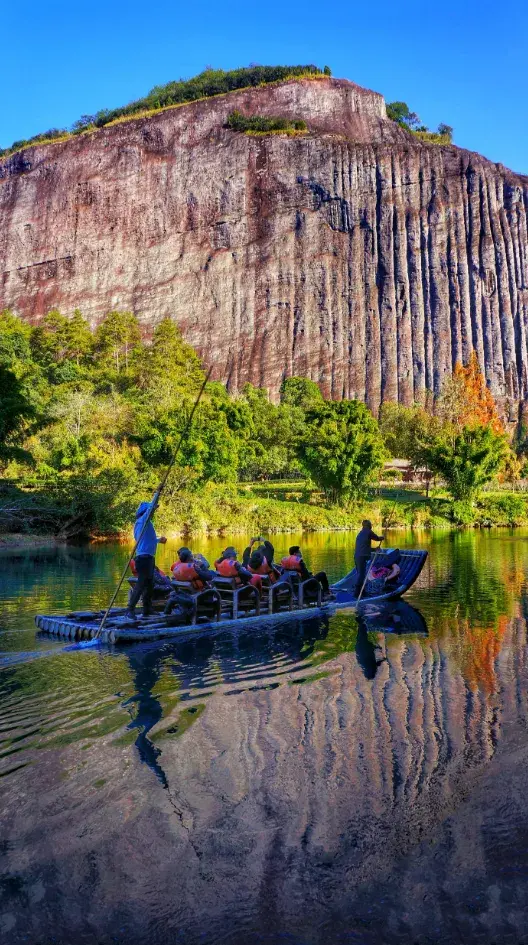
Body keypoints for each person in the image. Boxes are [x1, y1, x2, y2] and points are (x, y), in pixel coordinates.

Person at [126, 493, 167, 621]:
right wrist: (157, 493)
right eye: (152, 510)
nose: (154, 511)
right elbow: (151, 508)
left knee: (150, 584)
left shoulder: (144, 524)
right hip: (143, 559)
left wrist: (159, 540)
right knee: (142, 583)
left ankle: (147, 609)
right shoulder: (143, 520)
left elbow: (147, 540)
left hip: (148, 558)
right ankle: (130, 609)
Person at [354, 520, 384, 597]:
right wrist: (382, 538)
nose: (371, 525)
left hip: (357, 556)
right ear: (369, 525)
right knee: (361, 575)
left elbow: (365, 548)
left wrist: (375, 549)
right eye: (370, 524)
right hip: (362, 556)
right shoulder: (368, 532)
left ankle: (362, 592)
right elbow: (377, 538)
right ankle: (357, 593)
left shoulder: (360, 533)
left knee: (360, 574)